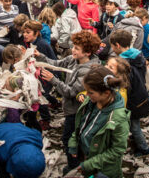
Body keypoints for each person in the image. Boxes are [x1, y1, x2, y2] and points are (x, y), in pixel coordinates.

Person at [37, 31, 101, 173]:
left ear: (88, 52)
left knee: (68, 138)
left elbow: (71, 92)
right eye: (73, 46)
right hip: (70, 108)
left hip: (77, 111)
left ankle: (74, 165)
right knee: (73, 138)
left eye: (77, 48)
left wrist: (53, 80)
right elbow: (56, 63)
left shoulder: (87, 71)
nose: (73, 50)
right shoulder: (73, 59)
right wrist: (39, 56)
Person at [68, 65, 130, 178]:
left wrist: (91, 164)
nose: (86, 95)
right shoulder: (90, 103)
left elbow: (117, 150)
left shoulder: (118, 118)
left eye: (90, 92)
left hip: (104, 169)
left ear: (106, 93)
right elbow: (80, 125)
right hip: (87, 157)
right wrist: (74, 141)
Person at [110, 29, 149, 156]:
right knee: (135, 123)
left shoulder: (123, 64)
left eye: (112, 46)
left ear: (117, 45)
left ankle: (144, 148)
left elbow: (124, 85)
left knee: (134, 126)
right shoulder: (137, 55)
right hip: (141, 94)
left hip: (132, 99)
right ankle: (137, 139)